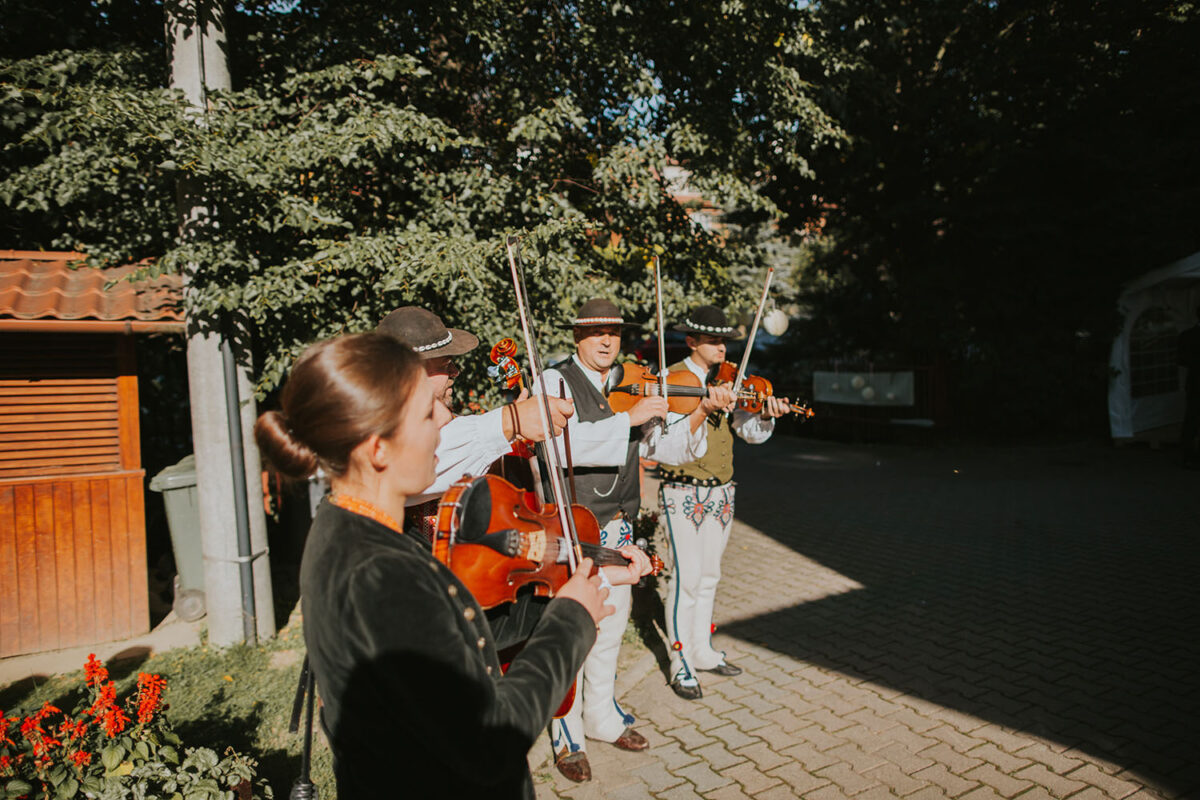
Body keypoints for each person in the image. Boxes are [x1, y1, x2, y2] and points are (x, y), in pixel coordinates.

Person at [254, 332, 648, 798]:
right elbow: (489, 737)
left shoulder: (350, 530)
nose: (446, 418)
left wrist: (577, 581)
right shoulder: (383, 575)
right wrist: (572, 621)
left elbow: (466, 634)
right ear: (377, 448)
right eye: (427, 413)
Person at [535, 298, 735, 782]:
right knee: (571, 626)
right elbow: (560, 445)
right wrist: (627, 419)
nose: (607, 341)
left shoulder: (632, 384)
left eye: (615, 332)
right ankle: (566, 731)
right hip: (570, 521)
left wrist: (696, 413)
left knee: (613, 620)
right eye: (597, 332)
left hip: (617, 521)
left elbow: (661, 448)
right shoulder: (554, 381)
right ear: (578, 336)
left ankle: (601, 714)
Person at [658, 305, 791, 700]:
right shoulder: (671, 379)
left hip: (722, 491)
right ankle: (679, 660)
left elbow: (749, 433)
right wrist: (704, 406)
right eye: (714, 340)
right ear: (692, 341)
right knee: (686, 578)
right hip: (682, 490)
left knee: (711, 575)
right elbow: (666, 443)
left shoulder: (731, 381)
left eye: (725, 341)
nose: (722, 347)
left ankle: (701, 649)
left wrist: (766, 416)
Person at [375, 306, 574, 539]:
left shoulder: (442, 421)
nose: (455, 371)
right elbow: (419, 464)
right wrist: (510, 421)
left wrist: (513, 435)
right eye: (444, 365)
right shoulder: (379, 430)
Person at [1178, 307, 1200, 467]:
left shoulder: (1187, 335)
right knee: (1192, 419)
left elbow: (1182, 360)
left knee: (1191, 418)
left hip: (1195, 381)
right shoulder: (1187, 335)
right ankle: (1189, 456)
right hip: (1196, 382)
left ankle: (1188, 456)